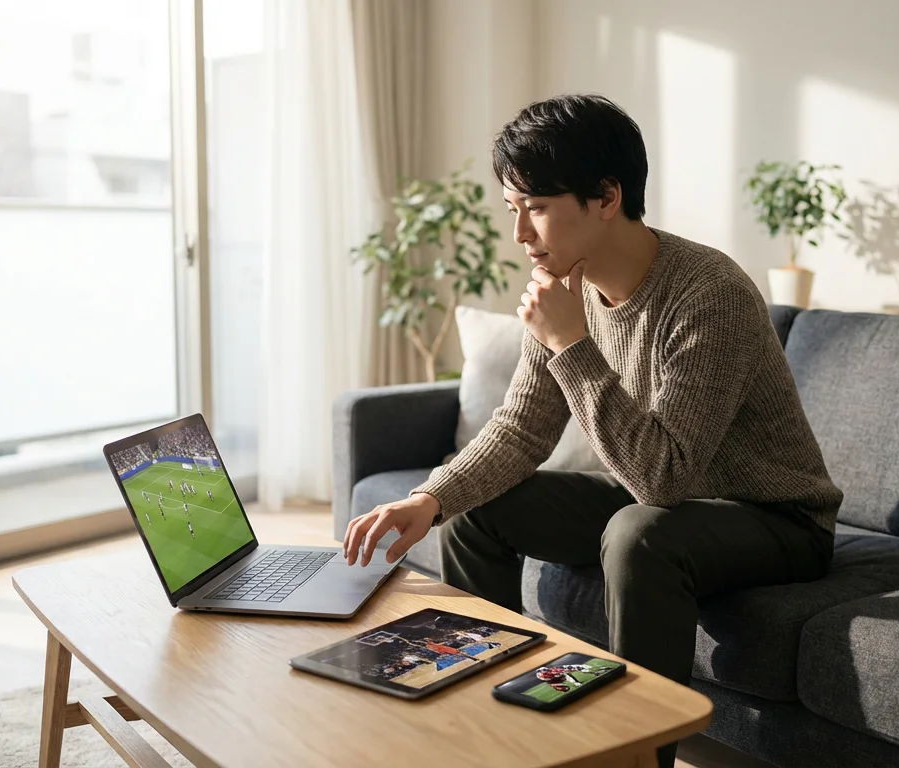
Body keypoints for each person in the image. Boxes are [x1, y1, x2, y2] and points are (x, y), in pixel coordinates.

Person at [340, 94, 841, 768]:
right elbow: (520, 429)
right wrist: (429, 499)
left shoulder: (708, 292)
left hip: (773, 517)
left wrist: (571, 343)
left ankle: (633, 758)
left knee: (638, 534)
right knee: (469, 508)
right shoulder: (564, 289)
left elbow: (665, 478)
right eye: (512, 208)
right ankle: (488, 728)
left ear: (606, 197)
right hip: (656, 496)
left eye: (536, 208)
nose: (520, 235)